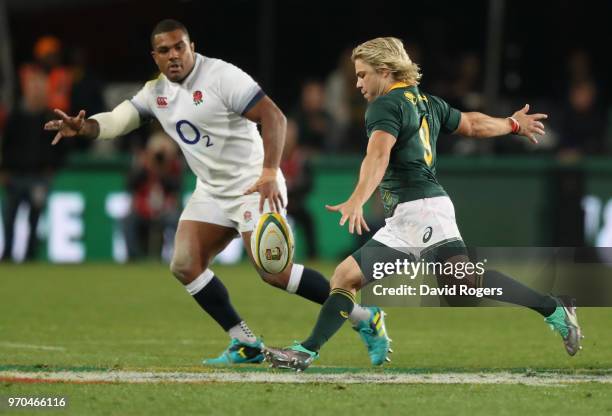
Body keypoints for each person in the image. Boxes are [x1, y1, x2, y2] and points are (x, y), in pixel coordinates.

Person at [44, 20, 389, 366]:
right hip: (212, 190)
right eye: (164, 51)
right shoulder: (156, 93)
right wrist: (84, 127)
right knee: (184, 264)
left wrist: (270, 171)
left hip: (254, 183)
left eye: (179, 47)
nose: (174, 55)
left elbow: (275, 117)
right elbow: (118, 120)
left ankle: (364, 318)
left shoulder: (221, 76)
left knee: (275, 274)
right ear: (155, 56)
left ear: (192, 46)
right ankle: (245, 343)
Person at [263, 37, 583, 371]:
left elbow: (378, 155)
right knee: (345, 277)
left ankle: (554, 308)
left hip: (424, 210)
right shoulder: (425, 101)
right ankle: (306, 351)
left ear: (384, 71)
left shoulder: (385, 106)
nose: (357, 83)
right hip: (409, 216)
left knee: (463, 285)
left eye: (362, 75)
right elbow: (471, 123)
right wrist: (511, 124)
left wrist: (357, 199)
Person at [1, 67, 66, 261]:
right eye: (33, 87)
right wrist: (4, 170)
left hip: (38, 177)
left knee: (35, 218)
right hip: (15, 176)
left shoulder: (50, 118)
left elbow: (61, 148)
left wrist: (51, 169)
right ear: (26, 89)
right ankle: (8, 254)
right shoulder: (15, 116)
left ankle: (30, 254)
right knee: (10, 216)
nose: (36, 91)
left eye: (40, 87)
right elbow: (6, 145)